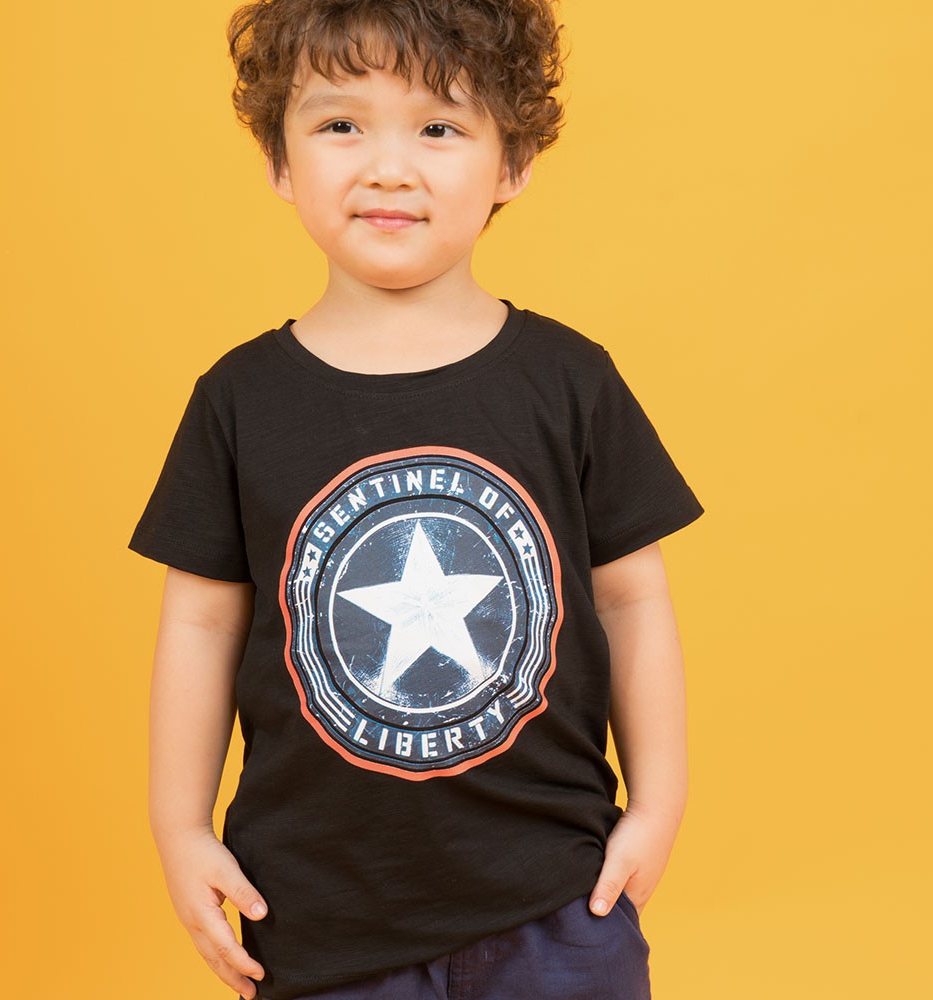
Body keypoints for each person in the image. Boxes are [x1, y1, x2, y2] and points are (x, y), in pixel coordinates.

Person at [127, 1, 705, 998]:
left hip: (554, 901)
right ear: (278, 161)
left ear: (512, 162)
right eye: (340, 124)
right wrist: (178, 827)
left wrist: (658, 802)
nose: (387, 167)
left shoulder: (572, 381)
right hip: (316, 915)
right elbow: (199, 623)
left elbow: (632, 599)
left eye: (438, 126)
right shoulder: (237, 400)